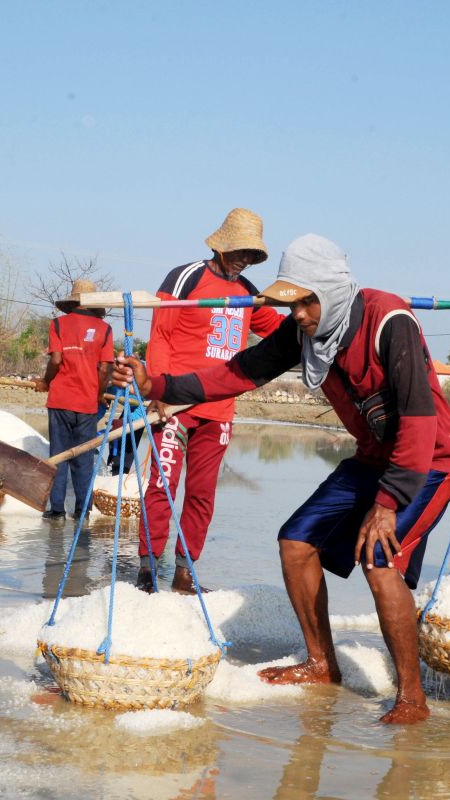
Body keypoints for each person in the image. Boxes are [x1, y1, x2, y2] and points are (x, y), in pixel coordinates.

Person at [113, 234, 450, 724]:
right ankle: (322, 664)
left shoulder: (390, 320)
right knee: (295, 542)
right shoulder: (306, 333)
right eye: (292, 303)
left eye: (306, 301)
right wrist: (159, 385)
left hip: (429, 460)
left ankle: (412, 698)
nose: (298, 314)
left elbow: (419, 418)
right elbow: (239, 372)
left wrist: (387, 502)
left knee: (378, 558)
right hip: (372, 456)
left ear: (331, 290)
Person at [134, 208, 284, 593]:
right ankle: (148, 569)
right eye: (239, 251)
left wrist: (311, 318)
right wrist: (160, 394)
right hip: (176, 407)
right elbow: (162, 335)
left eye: (251, 255)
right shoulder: (186, 278)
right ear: (221, 246)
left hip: (219, 410)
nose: (243, 260)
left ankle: (184, 573)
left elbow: (278, 331)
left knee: (201, 494)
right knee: (162, 486)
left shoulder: (249, 294)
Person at [34, 279, 114, 519]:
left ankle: (56, 509)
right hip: (87, 403)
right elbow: (104, 368)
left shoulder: (58, 324)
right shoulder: (105, 329)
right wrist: (99, 394)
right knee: (84, 457)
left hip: (60, 401)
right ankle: (83, 510)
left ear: (73, 301)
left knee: (59, 454)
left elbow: (56, 361)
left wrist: (45, 382)